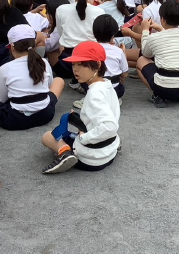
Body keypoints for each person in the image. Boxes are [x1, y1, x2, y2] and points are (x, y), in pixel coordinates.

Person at [41, 42, 120, 174]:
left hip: (91, 159)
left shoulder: (94, 93)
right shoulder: (106, 84)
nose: (75, 69)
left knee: (47, 136)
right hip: (109, 152)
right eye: (74, 64)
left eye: (82, 64)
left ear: (98, 65)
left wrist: (84, 138)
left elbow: (110, 126)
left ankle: (65, 153)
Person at [0, 25, 64, 131]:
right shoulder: (44, 62)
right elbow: (49, 86)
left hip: (15, 119)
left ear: (12, 47)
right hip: (45, 114)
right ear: (34, 44)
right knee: (59, 80)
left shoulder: (5, 68)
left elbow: (2, 99)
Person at [136, 0, 179, 108]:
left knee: (141, 60)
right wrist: (160, 28)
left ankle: (157, 95)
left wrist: (145, 30)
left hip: (164, 88)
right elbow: (171, 37)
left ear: (162, 19)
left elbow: (145, 53)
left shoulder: (155, 37)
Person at [53, 0, 104, 82]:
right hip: (91, 63)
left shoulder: (61, 9)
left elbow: (61, 34)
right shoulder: (99, 11)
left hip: (67, 63)